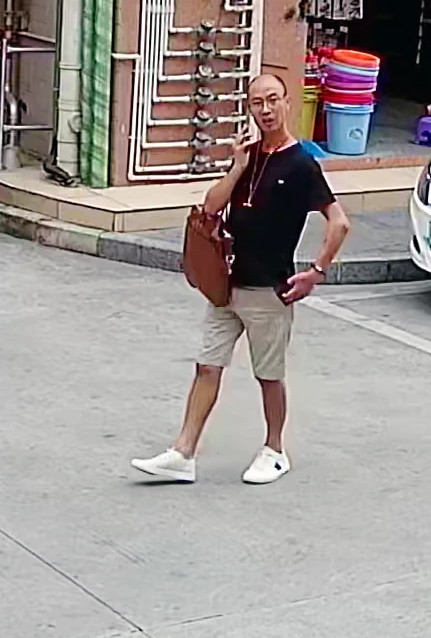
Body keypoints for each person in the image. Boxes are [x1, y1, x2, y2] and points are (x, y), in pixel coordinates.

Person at [132, 70, 352, 486]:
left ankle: (275, 450)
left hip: (270, 289)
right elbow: (210, 208)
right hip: (226, 285)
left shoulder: (301, 163)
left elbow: (339, 222)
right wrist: (237, 167)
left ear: (287, 103)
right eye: (257, 103)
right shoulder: (247, 157)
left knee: (268, 376)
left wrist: (316, 272)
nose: (265, 110)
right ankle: (183, 453)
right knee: (207, 366)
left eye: (272, 100)